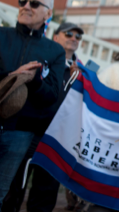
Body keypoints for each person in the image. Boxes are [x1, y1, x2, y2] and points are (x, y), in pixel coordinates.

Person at [2, 22, 84, 212]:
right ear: (55, 37)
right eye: (68, 34)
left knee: (45, 194)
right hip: (31, 132)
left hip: (58, 140)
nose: (73, 38)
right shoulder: (41, 60)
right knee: (14, 189)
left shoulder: (84, 73)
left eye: (78, 36)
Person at [0, 0, 65, 209]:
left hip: (21, 133)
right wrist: (15, 75)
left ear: (48, 14)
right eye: (23, 1)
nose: (26, 6)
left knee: (2, 193)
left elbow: (51, 96)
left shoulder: (55, 50)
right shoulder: (1, 35)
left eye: (34, 4)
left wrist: (35, 79)